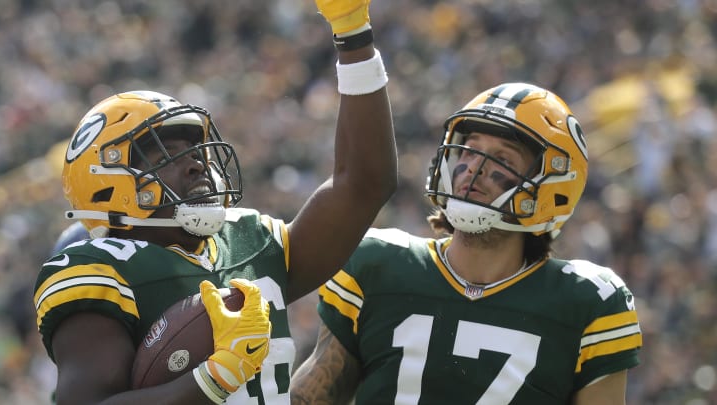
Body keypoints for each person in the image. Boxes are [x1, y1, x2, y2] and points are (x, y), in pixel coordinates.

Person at [32, 0, 397, 402]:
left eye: (196, 150)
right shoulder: (100, 268)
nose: (195, 164)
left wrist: (353, 35)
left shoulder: (248, 240)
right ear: (106, 183)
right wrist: (215, 377)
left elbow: (365, 184)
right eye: (165, 154)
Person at [291, 82, 642, 404]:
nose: (474, 169)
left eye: (503, 159)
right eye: (470, 151)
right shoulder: (377, 264)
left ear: (553, 186)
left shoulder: (588, 302)